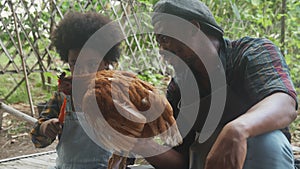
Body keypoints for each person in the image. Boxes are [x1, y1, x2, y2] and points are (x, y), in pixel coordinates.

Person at [133, 0, 298, 169]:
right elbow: (183, 162)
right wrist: (139, 143)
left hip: (263, 160)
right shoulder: (179, 89)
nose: (161, 48)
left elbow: (284, 103)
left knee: (267, 141)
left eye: (164, 38)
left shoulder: (251, 53)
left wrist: (237, 130)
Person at [30, 11, 121, 169]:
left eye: (91, 64)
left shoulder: (117, 95)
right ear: (68, 61)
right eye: (75, 63)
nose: (82, 71)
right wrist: (46, 128)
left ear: (106, 62)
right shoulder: (62, 97)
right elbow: (37, 137)